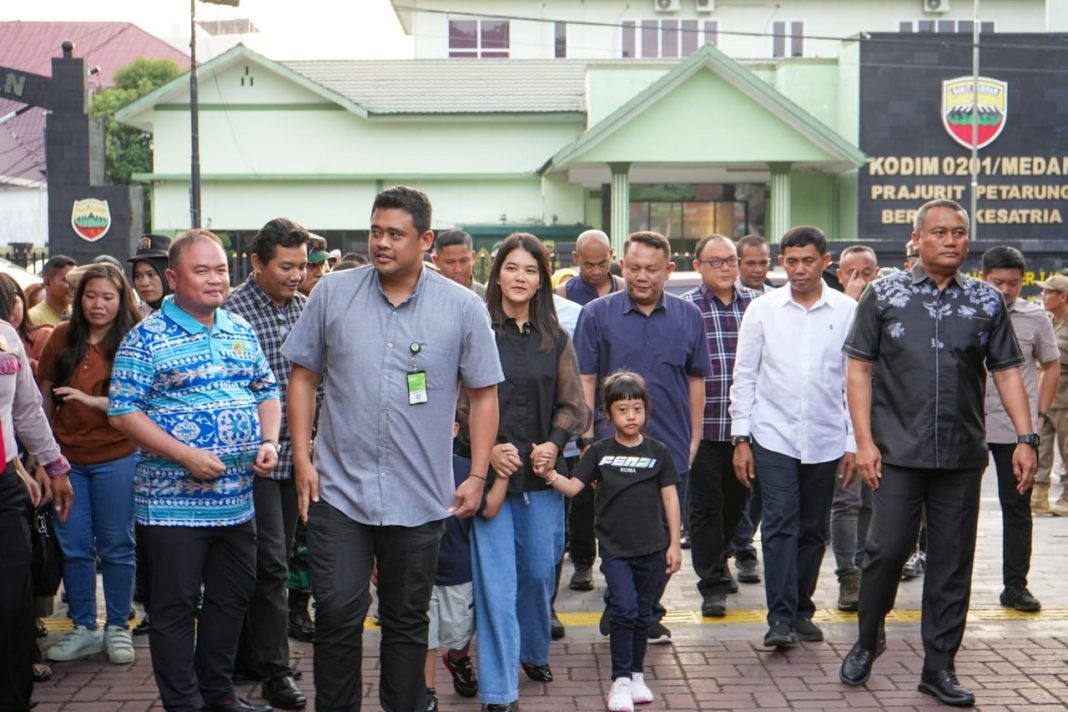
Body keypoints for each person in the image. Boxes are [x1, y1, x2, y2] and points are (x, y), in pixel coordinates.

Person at [282, 186, 502, 712]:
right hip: (338, 490)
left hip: (421, 493)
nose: (381, 243)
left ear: (424, 240)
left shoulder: (463, 308)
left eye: (395, 234)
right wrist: (302, 457)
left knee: (406, 619)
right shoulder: (332, 293)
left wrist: (474, 475)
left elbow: (485, 394)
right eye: (375, 231)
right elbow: (302, 377)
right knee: (336, 610)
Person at [839, 199, 1037, 707]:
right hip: (896, 452)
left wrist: (1025, 437)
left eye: (959, 233)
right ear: (917, 239)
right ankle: (868, 639)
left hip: (960, 455)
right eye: (939, 232)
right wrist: (863, 442)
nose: (950, 241)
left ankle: (939, 666)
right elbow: (858, 369)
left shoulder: (987, 301)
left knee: (952, 564)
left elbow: (1008, 370)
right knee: (884, 553)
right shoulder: (883, 295)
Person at [109, 229, 281, 712]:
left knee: (230, 602)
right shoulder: (145, 338)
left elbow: (266, 390)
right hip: (171, 506)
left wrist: (269, 440)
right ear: (172, 278)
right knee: (174, 609)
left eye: (220, 269)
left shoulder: (240, 330)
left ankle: (218, 695)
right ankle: (183, 703)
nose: (214, 280)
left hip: (237, 501)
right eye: (201, 270)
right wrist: (184, 455)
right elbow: (123, 411)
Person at [471, 233, 589, 712]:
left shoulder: (555, 337)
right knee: (496, 585)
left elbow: (573, 404)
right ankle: (499, 690)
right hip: (491, 475)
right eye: (512, 268)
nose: (521, 278)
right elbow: (460, 403)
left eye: (531, 270)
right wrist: (490, 448)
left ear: (542, 279)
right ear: (497, 273)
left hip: (542, 478)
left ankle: (534, 650)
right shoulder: (477, 330)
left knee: (540, 572)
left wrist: (554, 444)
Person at [574, 230, 709, 645]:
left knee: (664, 535)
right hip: (613, 450)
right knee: (620, 532)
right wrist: (587, 437)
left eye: (651, 269)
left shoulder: (689, 317)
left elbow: (696, 381)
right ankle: (625, 604)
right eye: (634, 268)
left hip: (671, 444)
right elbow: (586, 378)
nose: (642, 277)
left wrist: (695, 438)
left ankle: (644, 609)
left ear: (669, 270)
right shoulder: (597, 314)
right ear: (622, 266)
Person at [730, 225, 856, 649]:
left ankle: (802, 609)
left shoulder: (846, 311)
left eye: (808, 261)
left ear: (825, 262)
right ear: (781, 262)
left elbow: (854, 382)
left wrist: (854, 443)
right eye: (791, 261)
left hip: (825, 437)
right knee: (780, 522)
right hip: (773, 434)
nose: (799, 269)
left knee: (813, 529)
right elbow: (744, 376)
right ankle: (780, 618)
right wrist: (741, 437)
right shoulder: (762, 310)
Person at [540, 371, 681, 712]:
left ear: (646, 410)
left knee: (643, 614)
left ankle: (636, 675)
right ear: (607, 413)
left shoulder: (659, 452)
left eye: (637, 408)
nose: (631, 416)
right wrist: (549, 475)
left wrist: (674, 544)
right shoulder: (599, 452)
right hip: (616, 550)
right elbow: (574, 488)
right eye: (622, 409)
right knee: (625, 610)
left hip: (653, 548)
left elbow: (671, 499)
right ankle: (619, 680)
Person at [37, 264, 142, 665]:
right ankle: (84, 626)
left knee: (117, 545)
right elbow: (43, 399)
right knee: (75, 547)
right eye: (91, 296)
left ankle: (117, 626)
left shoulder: (132, 341)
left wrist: (90, 402)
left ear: (122, 300)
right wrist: (44, 455)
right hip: (66, 463)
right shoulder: (62, 337)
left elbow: (140, 404)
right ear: (80, 300)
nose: (98, 304)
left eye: (108, 297)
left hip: (118, 457)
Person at [225, 218, 310, 709]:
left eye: (302, 265)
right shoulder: (232, 310)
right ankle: (275, 671)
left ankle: (250, 655)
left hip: (295, 460)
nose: (297, 275)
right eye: (286, 266)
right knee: (269, 565)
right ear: (257, 263)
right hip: (249, 463)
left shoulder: (305, 307)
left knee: (268, 565)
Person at [681, 235, 760, 618]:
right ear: (698, 266)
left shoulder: (759, 307)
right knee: (705, 507)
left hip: (749, 428)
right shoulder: (685, 309)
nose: (726, 268)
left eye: (731, 260)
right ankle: (711, 582)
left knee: (738, 504)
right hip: (703, 426)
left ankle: (722, 555)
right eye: (716, 262)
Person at [980, 246, 1057, 612]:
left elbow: (1051, 365)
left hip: (1016, 431)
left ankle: (1015, 585)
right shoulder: (967, 313)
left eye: (1013, 283)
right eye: (998, 283)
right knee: (952, 509)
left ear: (1023, 282)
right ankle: (945, 582)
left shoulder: (1035, 318)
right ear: (983, 279)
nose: (1006, 290)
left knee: (1017, 509)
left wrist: (1038, 416)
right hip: (969, 426)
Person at [553, 230, 621, 594]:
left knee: (619, 494)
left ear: (612, 255)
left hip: (621, 408)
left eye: (602, 262)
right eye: (588, 263)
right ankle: (582, 561)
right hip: (583, 409)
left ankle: (617, 563)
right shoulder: (561, 298)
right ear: (576, 258)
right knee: (581, 494)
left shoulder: (626, 288)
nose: (596, 270)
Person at [829, 245, 880, 613]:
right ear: (839, 273)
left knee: (873, 500)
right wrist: (851, 303)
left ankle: (868, 567)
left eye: (868, 271)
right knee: (846, 499)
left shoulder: (889, 305)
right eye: (852, 271)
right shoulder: (832, 308)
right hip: (841, 419)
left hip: (885, 419)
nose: (860, 278)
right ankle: (848, 573)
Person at [424, 430, 481, 712]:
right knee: (425, 634)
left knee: (460, 631)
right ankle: (427, 690)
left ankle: (458, 658)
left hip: (459, 566)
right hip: (419, 566)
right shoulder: (410, 466)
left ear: (457, 429)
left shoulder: (468, 469)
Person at [1035, 273, 1068, 516]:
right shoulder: (1047, 322)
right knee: (1041, 447)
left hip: (1066, 400)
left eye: (1048, 292)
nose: (1043, 296)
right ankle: (1039, 495)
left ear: (1063, 296)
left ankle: (1067, 497)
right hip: (1045, 399)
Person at [0, 275, 53, 378]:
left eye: (14, 302)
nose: (10, 313)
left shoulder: (44, 336)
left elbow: (51, 378)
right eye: (2, 307)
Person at [557, 229, 624, 304]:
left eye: (602, 264)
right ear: (576, 258)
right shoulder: (561, 295)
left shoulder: (627, 290)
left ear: (611, 254)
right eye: (589, 265)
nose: (596, 272)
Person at [128, 234, 173, 317]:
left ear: (168, 275)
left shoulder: (190, 316)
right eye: (137, 276)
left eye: (151, 274)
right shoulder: (131, 318)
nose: (144, 283)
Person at [433, 229, 486, 297]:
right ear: (436, 261)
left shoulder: (489, 297)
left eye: (463, 261)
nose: (458, 270)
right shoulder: (427, 296)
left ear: (473, 257)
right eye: (450, 262)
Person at [29, 255, 77, 326]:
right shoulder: (33, 318)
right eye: (66, 280)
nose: (73, 286)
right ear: (46, 282)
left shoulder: (78, 315)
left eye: (75, 281)